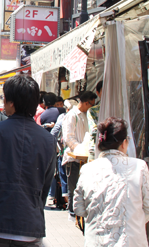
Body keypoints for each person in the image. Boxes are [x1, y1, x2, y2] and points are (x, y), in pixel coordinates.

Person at [0, 75, 56, 247]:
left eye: (4, 99)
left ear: (11, 102)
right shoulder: (48, 140)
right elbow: (45, 185)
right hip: (30, 224)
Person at [74, 117, 149, 246]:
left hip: (96, 241)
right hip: (130, 241)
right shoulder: (139, 166)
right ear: (124, 143)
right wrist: (133, 219)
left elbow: (79, 208)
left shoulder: (87, 169)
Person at [62, 91, 97, 221]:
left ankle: (81, 213)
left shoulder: (88, 115)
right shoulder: (72, 115)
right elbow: (68, 137)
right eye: (91, 104)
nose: (92, 107)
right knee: (74, 186)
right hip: (74, 158)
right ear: (85, 102)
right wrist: (79, 149)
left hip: (86, 157)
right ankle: (73, 213)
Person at [87, 81, 103, 160]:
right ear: (98, 93)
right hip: (96, 149)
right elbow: (94, 130)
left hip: (114, 150)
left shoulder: (120, 109)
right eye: (104, 91)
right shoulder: (92, 110)